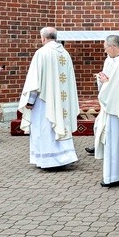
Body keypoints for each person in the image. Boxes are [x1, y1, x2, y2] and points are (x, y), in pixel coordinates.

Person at [18, 27, 79, 169]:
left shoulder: (42, 53)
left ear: (43, 38)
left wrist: (30, 101)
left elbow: (35, 81)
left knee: (44, 127)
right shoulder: (65, 53)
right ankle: (64, 157)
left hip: (45, 101)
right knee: (60, 124)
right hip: (61, 100)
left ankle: (48, 160)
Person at [92, 35, 119, 187]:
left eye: (105, 48)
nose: (105, 52)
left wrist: (105, 83)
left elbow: (116, 87)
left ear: (112, 47)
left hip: (116, 109)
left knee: (115, 141)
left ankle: (115, 175)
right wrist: (105, 81)